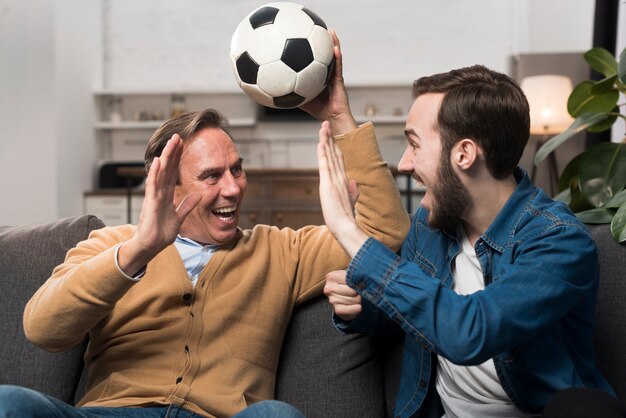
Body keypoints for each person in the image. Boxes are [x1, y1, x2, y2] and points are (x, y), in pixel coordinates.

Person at [0, 33, 410, 418]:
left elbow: (384, 233)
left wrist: (340, 117)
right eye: (212, 176)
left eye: (237, 170)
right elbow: (42, 328)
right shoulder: (111, 244)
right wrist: (139, 249)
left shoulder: (281, 251)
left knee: (276, 415)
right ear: (169, 187)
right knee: (10, 402)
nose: (233, 188)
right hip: (115, 412)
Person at [317, 64, 621, 417]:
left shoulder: (560, 242)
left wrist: (347, 229)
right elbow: (417, 314)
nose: (403, 163)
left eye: (414, 144)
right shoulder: (429, 228)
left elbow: (469, 330)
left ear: (464, 153)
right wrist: (361, 307)